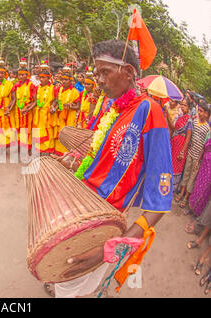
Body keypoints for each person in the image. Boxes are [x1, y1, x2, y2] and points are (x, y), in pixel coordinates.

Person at [49, 39, 173, 298]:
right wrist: (70, 163)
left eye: (104, 72)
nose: (99, 80)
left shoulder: (150, 112)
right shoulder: (113, 106)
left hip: (103, 224)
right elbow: (98, 158)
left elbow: (159, 201)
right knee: (63, 277)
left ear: (128, 72)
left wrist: (113, 247)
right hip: (79, 206)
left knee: (75, 289)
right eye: (97, 73)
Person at [176, 101, 210, 209]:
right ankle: (181, 193)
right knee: (186, 173)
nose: (199, 113)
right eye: (198, 110)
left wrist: (199, 160)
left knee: (192, 177)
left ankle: (186, 197)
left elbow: (204, 145)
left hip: (197, 157)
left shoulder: (207, 128)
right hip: (190, 153)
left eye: (201, 111)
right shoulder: (194, 121)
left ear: (206, 114)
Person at [25, 61, 55, 155]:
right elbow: (35, 102)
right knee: (38, 132)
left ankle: (48, 152)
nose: (42, 79)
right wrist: (27, 108)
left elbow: (56, 100)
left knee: (48, 132)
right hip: (38, 115)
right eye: (41, 77)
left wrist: (53, 107)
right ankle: (39, 151)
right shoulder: (37, 88)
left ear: (49, 78)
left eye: (44, 78)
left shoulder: (53, 88)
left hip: (48, 114)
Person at [7, 58, 36, 151]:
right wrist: (9, 108)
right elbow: (13, 99)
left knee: (27, 129)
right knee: (18, 129)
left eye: (23, 75)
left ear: (27, 75)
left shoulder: (31, 85)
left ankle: (27, 147)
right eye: (19, 75)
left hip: (28, 112)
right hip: (18, 111)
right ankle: (20, 146)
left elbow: (34, 101)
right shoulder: (16, 86)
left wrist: (27, 109)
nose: (20, 77)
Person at [52, 65, 81, 155]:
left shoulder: (74, 92)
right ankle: (58, 153)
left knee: (67, 134)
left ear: (70, 81)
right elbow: (56, 101)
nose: (64, 82)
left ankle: (67, 154)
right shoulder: (59, 89)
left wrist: (70, 107)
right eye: (63, 80)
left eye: (66, 80)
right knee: (59, 133)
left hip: (70, 117)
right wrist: (54, 107)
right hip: (59, 116)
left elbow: (78, 107)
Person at [167, 99, 193, 192]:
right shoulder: (180, 116)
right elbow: (174, 128)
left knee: (177, 166)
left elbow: (188, 137)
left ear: (189, 107)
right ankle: (166, 184)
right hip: (174, 143)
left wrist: (182, 151)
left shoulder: (189, 120)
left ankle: (172, 188)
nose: (182, 107)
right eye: (182, 104)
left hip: (181, 146)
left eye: (185, 105)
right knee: (171, 163)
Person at [0, 57, 16, 149]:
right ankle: (0, 147)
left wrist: (9, 109)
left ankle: (7, 147)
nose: (0, 75)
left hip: (7, 109)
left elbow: (13, 99)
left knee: (7, 129)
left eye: (2, 73)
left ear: (5, 74)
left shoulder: (9, 84)